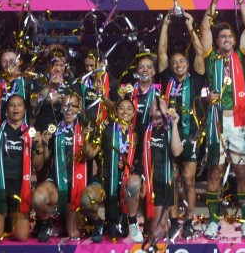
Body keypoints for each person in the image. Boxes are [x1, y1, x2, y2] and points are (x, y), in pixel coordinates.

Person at [198, 0, 245, 238]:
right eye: (222, 37)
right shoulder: (211, 57)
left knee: (242, 172)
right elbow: (204, 27)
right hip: (216, 122)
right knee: (215, 171)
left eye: (229, 37)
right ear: (217, 40)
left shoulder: (242, 56)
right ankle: (213, 220)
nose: (226, 40)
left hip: (239, 123)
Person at [156, 27, 208, 239]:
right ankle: (174, 219)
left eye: (182, 61)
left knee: (189, 180)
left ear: (188, 64)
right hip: (168, 134)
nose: (178, 65)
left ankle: (188, 220)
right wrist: (166, 24)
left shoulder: (195, 80)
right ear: (171, 66)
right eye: (174, 62)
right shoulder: (166, 77)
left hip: (190, 135)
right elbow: (161, 51)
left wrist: (190, 27)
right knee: (172, 179)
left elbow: (200, 53)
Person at [31, 93, 98, 240]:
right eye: (65, 105)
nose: (69, 109)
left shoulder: (87, 128)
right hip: (57, 183)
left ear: (79, 108)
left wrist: (86, 138)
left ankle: (91, 220)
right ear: (61, 108)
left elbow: (89, 155)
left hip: (79, 185)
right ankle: (47, 222)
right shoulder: (54, 129)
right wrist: (43, 146)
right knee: (38, 198)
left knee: (73, 233)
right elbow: (44, 161)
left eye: (73, 105)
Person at [123, 96, 184, 243]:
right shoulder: (143, 126)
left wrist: (174, 125)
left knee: (157, 232)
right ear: (149, 111)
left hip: (161, 180)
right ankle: (132, 223)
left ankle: (162, 224)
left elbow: (176, 152)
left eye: (161, 103)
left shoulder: (171, 128)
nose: (157, 104)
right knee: (132, 183)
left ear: (167, 110)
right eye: (154, 104)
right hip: (144, 177)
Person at [0, 94, 33, 242]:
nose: (15, 108)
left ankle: (8, 221)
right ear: (6, 110)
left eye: (19, 105)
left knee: (21, 236)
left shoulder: (30, 133)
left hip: (20, 186)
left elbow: (38, 165)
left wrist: (39, 147)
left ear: (24, 109)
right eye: (12, 105)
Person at [97, 97, 138, 241]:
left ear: (133, 113)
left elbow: (140, 158)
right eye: (121, 108)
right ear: (116, 111)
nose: (125, 111)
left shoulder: (137, 133)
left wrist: (132, 168)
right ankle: (110, 220)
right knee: (111, 185)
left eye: (129, 108)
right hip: (110, 173)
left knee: (132, 184)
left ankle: (128, 220)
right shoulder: (108, 129)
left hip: (129, 175)